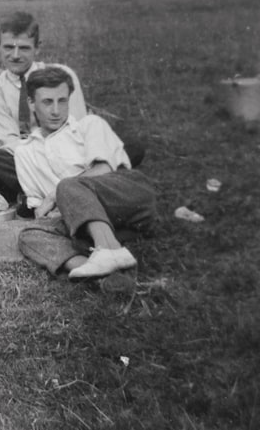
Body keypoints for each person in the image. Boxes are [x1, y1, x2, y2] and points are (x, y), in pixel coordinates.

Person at [14, 66, 157, 281]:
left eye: (62, 101)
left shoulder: (89, 125)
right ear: (31, 103)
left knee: (67, 186)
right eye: (47, 102)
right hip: (80, 222)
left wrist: (55, 195)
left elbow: (104, 170)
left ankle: (107, 251)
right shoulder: (24, 152)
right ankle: (103, 276)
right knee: (28, 236)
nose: (56, 110)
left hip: (124, 200)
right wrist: (51, 211)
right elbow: (38, 207)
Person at [0, 11, 87, 202]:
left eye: (25, 48)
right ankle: (67, 189)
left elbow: (79, 128)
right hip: (28, 161)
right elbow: (11, 145)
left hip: (68, 155)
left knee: (118, 144)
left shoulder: (62, 76)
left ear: (38, 48)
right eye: (9, 47)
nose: (16, 56)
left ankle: (38, 194)